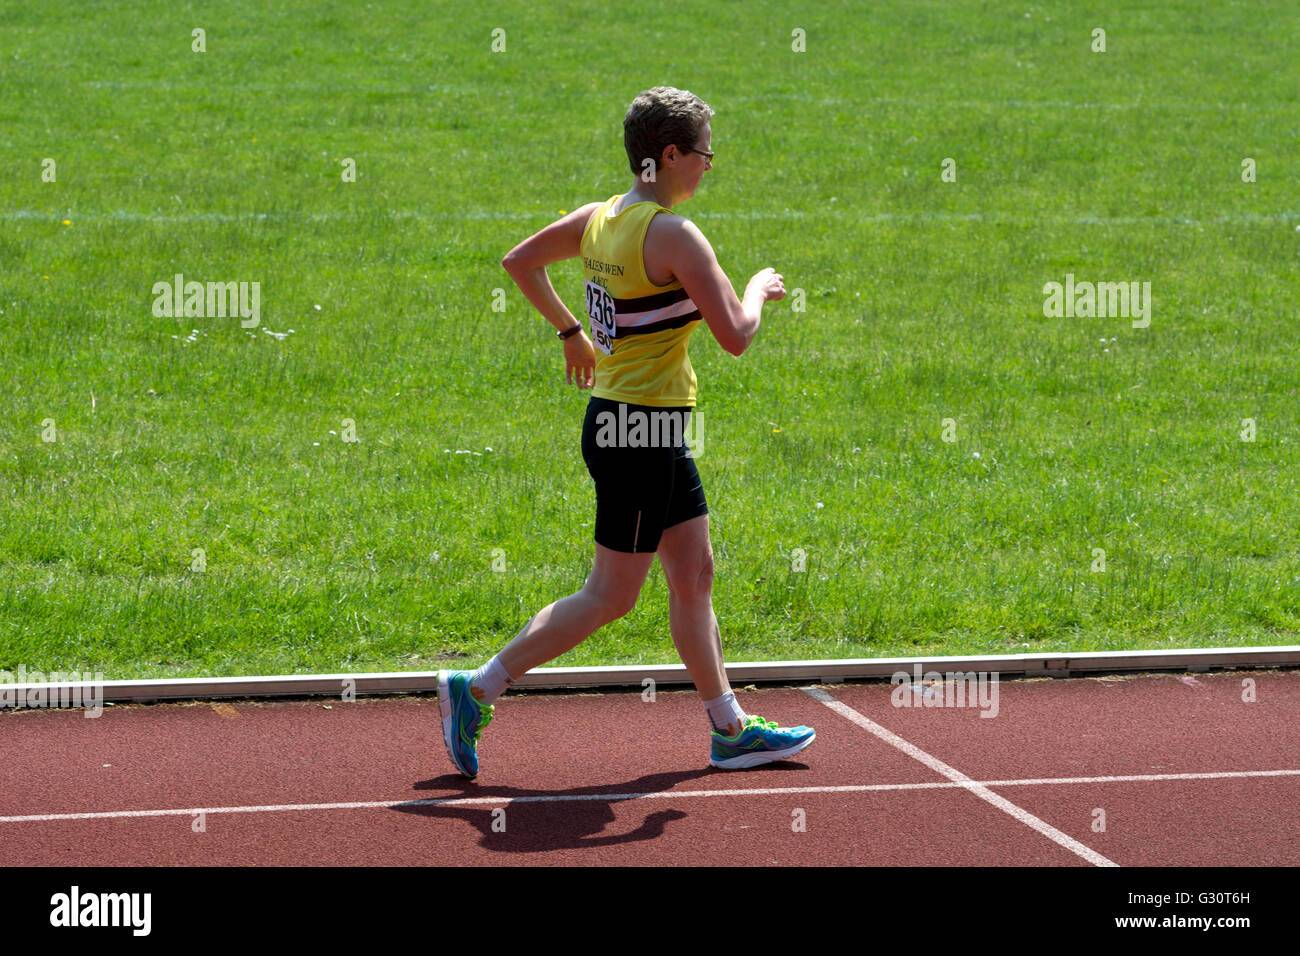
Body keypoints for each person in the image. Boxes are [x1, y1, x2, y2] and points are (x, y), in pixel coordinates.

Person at [438, 86, 814, 777]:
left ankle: (729, 729)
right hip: (641, 433)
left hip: (634, 425)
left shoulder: (600, 218)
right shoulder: (672, 235)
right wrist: (760, 288)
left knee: (694, 574)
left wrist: (570, 333)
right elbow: (735, 335)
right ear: (668, 155)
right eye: (704, 153)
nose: (709, 166)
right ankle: (477, 687)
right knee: (611, 595)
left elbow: (518, 262)